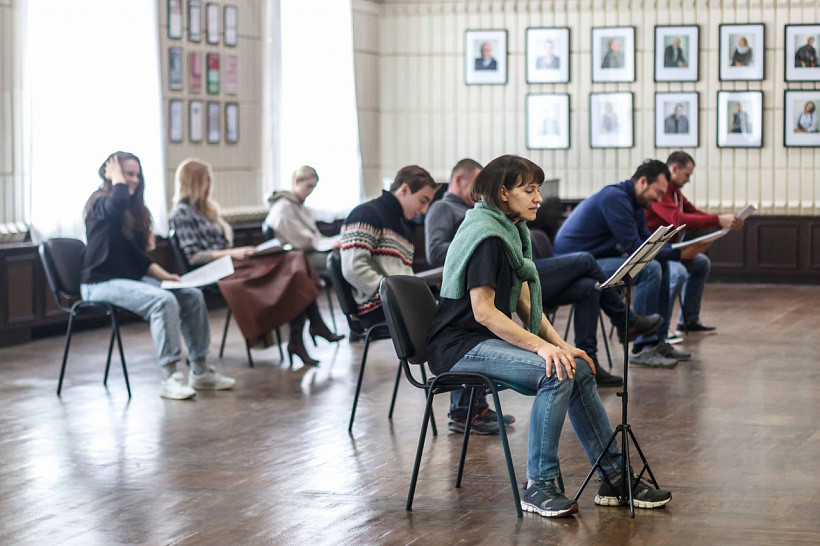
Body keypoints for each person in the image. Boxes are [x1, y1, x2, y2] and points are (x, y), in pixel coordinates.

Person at [426, 155, 672, 518]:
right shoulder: (486, 235)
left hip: (482, 340)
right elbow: (483, 312)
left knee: (578, 368)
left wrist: (562, 346)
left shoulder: (511, 231)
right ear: (503, 193)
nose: (538, 197)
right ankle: (538, 485)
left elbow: (525, 302)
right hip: (458, 346)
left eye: (537, 188)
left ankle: (614, 479)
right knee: (553, 372)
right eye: (529, 189)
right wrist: (544, 349)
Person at [80, 152, 236, 400]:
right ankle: (170, 377)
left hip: (131, 281)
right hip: (99, 283)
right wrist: (116, 178)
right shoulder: (99, 204)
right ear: (110, 175)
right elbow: (116, 203)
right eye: (127, 174)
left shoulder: (132, 211)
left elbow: (139, 259)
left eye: (136, 175)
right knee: (162, 301)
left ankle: (200, 370)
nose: (133, 180)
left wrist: (168, 277)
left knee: (191, 295)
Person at [170, 159, 342, 368]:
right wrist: (232, 253)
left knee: (296, 260)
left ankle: (305, 333)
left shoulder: (206, 209)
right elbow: (194, 257)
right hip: (217, 269)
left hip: (234, 261)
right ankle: (310, 330)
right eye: (206, 179)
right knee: (294, 267)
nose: (210, 184)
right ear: (195, 182)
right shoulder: (182, 212)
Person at [553, 159, 711, 367]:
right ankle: (641, 346)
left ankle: (657, 340)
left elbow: (647, 244)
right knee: (650, 267)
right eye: (658, 191)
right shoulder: (615, 198)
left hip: (594, 259)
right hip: (574, 265)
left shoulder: (635, 202)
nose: (659, 198)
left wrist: (677, 252)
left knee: (659, 264)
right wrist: (681, 255)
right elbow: (637, 249)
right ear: (643, 182)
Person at [647, 152, 744, 336]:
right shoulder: (662, 191)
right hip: (654, 252)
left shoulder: (675, 192)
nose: (688, 180)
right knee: (679, 273)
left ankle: (688, 320)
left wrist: (721, 220)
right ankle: (660, 331)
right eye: (687, 174)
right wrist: (719, 220)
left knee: (701, 263)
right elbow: (678, 218)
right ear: (674, 169)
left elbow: (693, 212)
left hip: (669, 249)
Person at [340, 165, 437, 330]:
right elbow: (353, 268)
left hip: (398, 302)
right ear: (404, 189)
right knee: (450, 322)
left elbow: (402, 275)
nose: (424, 210)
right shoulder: (366, 214)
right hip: (379, 307)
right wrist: (394, 295)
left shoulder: (403, 226)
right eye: (422, 201)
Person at [264, 165, 340, 273]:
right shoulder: (283, 207)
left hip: (307, 252)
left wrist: (329, 242)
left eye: (313, 187)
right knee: (339, 260)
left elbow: (313, 236)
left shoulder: (299, 206)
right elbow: (301, 241)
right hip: (295, 258)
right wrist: (328, 244)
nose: (310, 191)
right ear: (298, 181)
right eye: (309, 186)